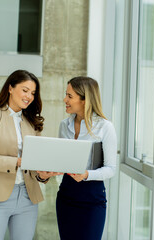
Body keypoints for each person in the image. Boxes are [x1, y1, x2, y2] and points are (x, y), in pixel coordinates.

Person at [0, 70, 53, 240]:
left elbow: (34, 164)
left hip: (27, 198)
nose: (29, 96)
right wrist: (17, 161)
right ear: (10, 88)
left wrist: (42, 175)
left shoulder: (32, 122)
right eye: (25, 90)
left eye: (33, 93)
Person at [56, 76, 117, 240]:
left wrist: (86, 175)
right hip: (66, 196)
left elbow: (111, 169)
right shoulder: (64, 125)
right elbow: (61, 161)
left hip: (92, 199)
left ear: (84, 100)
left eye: (70, 96)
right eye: (66, 94)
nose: (65, 99)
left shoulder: (105, 127)